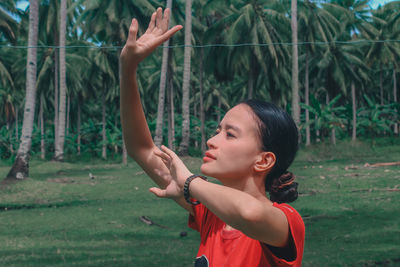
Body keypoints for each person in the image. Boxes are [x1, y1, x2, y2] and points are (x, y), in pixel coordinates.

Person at [120, 8, 305, 267]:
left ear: (263, 161)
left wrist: (188, 182)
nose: (212, 140)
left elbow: (250, 213)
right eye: (218, 130)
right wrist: (128, 70)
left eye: (230, 134)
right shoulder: (211, 213)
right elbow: (142, 149)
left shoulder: (285, 220)